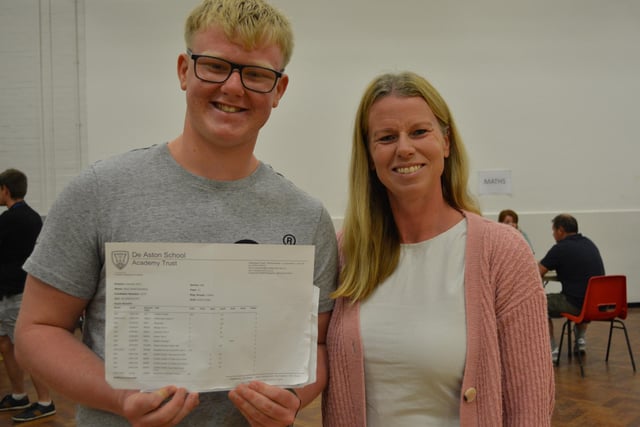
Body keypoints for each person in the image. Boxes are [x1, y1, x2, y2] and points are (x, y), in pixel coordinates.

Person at [14, 0, 338, 425]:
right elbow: (37, 331)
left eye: (257, 74)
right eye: (216, 66)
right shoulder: (100, 191)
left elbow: (316, 346)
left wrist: (293, 398)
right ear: (185, 70)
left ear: (279, 90)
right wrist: (121, 399)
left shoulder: (307, 218)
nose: (234, 87)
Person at [322, 72, 554, 426]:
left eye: (419, 132)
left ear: (446, 143)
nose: (404, 148)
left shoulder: (503, 252)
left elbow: (530, 402)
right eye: (386, 137)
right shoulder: (345, 252)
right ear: (369, 156)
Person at [0, 168, 56, 422]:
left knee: (25, 349)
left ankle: (45, 401)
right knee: (6, 345)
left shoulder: (12, 220)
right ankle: (19, 395)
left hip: (17, 294)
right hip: (8, 294)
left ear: (5, 190)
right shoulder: (33, 217)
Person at [538, 213, 604, 358]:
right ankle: (580, 340)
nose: (553, 234)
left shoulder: (560, 248)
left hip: (576, 304)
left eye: (553, 231)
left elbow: (537, 272)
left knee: (538, 303)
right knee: (583, 293)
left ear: (560, 230)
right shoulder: (589, 243)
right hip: (595, 304)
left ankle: (552, 349)